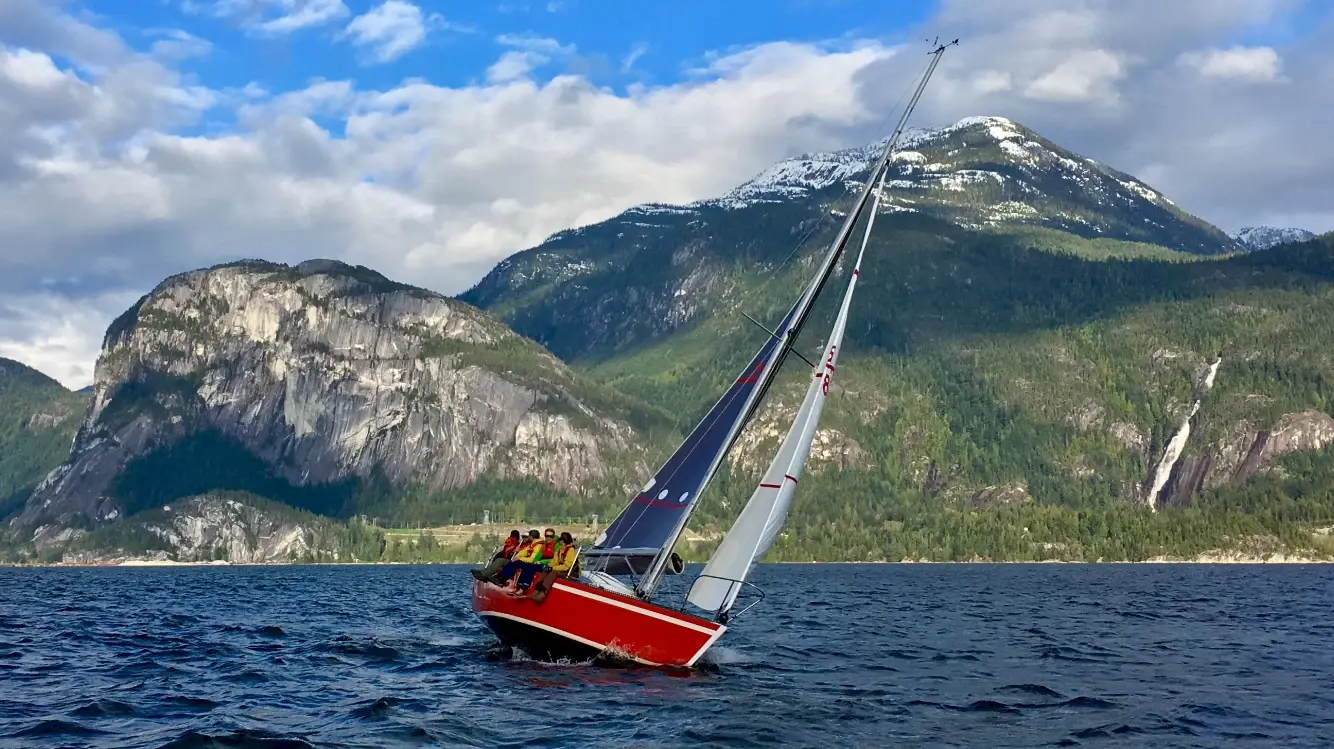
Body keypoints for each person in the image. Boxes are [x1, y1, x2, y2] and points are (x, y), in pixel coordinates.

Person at [523, 532, 578, 602]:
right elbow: (554, 562)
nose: (560, 543)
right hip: (559, 569)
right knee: (546, 571)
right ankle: (535, 592)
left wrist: (553, 568)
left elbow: (567, 566)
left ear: (565, 541)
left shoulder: (570, 550)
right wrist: (549, 566)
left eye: (562, 541)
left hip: (568, 571)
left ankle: (542, 594)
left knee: (553, 572)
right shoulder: (559, 550)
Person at [502, 528, 557, 594]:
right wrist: (519, 557)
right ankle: (516, 585)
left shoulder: (555, 546)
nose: (548, 538)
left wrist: (541, 562)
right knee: (526, 565)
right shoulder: (543, 545)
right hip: (538, 562)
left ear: (553, 537)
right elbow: (537, 556)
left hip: (548, 564)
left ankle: (523, 587)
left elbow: (555, 559)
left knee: (530, 567)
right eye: (547, 536)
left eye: (550, 536)